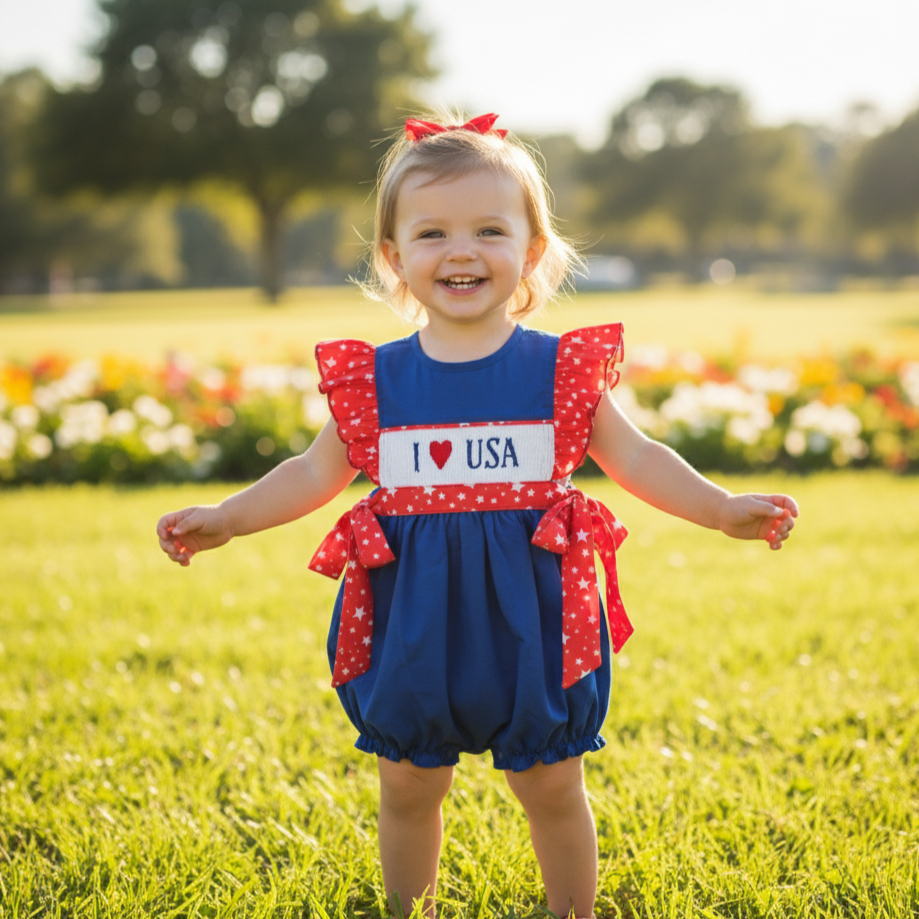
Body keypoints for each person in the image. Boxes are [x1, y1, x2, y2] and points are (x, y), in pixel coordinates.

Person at [156, 113, 798, 919]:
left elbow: (635, 456)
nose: (460, 251)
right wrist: (228, 516)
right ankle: (408, 910)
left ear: (531, 250)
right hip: (415, 610)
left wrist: (719, 506)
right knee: (408, 776)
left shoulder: (558, 371)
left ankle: (573, 911)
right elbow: (314, 472)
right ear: (394, 257)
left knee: (550, 777)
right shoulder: (376, 381)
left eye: (489, 229)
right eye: (431, 233)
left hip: (530, 610)